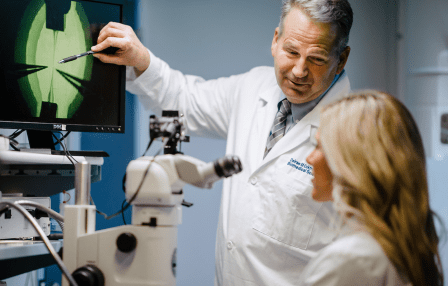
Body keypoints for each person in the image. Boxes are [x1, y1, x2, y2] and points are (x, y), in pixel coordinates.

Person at [92, 0, 353, 285]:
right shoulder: (254, 88)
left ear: (341, 59)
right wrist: (141, 59)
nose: (299, 71)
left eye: (316, 58)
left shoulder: (356, 134)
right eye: (292, 52)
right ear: (275, 40)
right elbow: (184, 100)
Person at [303, 90, 444, 286]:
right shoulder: (403, 246)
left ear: (349, 160)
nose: (309, 159)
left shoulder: (351, 260)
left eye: (319, 146)